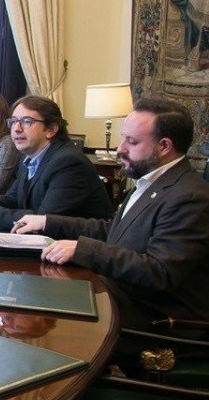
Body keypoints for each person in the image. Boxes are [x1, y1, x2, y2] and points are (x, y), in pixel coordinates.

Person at [12, 98, 209, 331]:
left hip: (155, 318)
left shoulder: (189, 196)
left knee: (39, 315)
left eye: (132, 142)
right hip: (121, 297)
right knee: (23, 292)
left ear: (164, 146)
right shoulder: (152, 182)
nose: (120, 148)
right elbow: (113, 230)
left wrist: (83, 249)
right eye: (123, 138)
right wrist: (47, 221)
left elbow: (160, 272)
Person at [0, 95, 113, 229]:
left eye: (26, 121)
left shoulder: (68, 162)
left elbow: (43, 219)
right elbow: (12, 199)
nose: (16, 129)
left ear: (51, 129)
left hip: (72, 253)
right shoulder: (28, 157)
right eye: (13, 121)